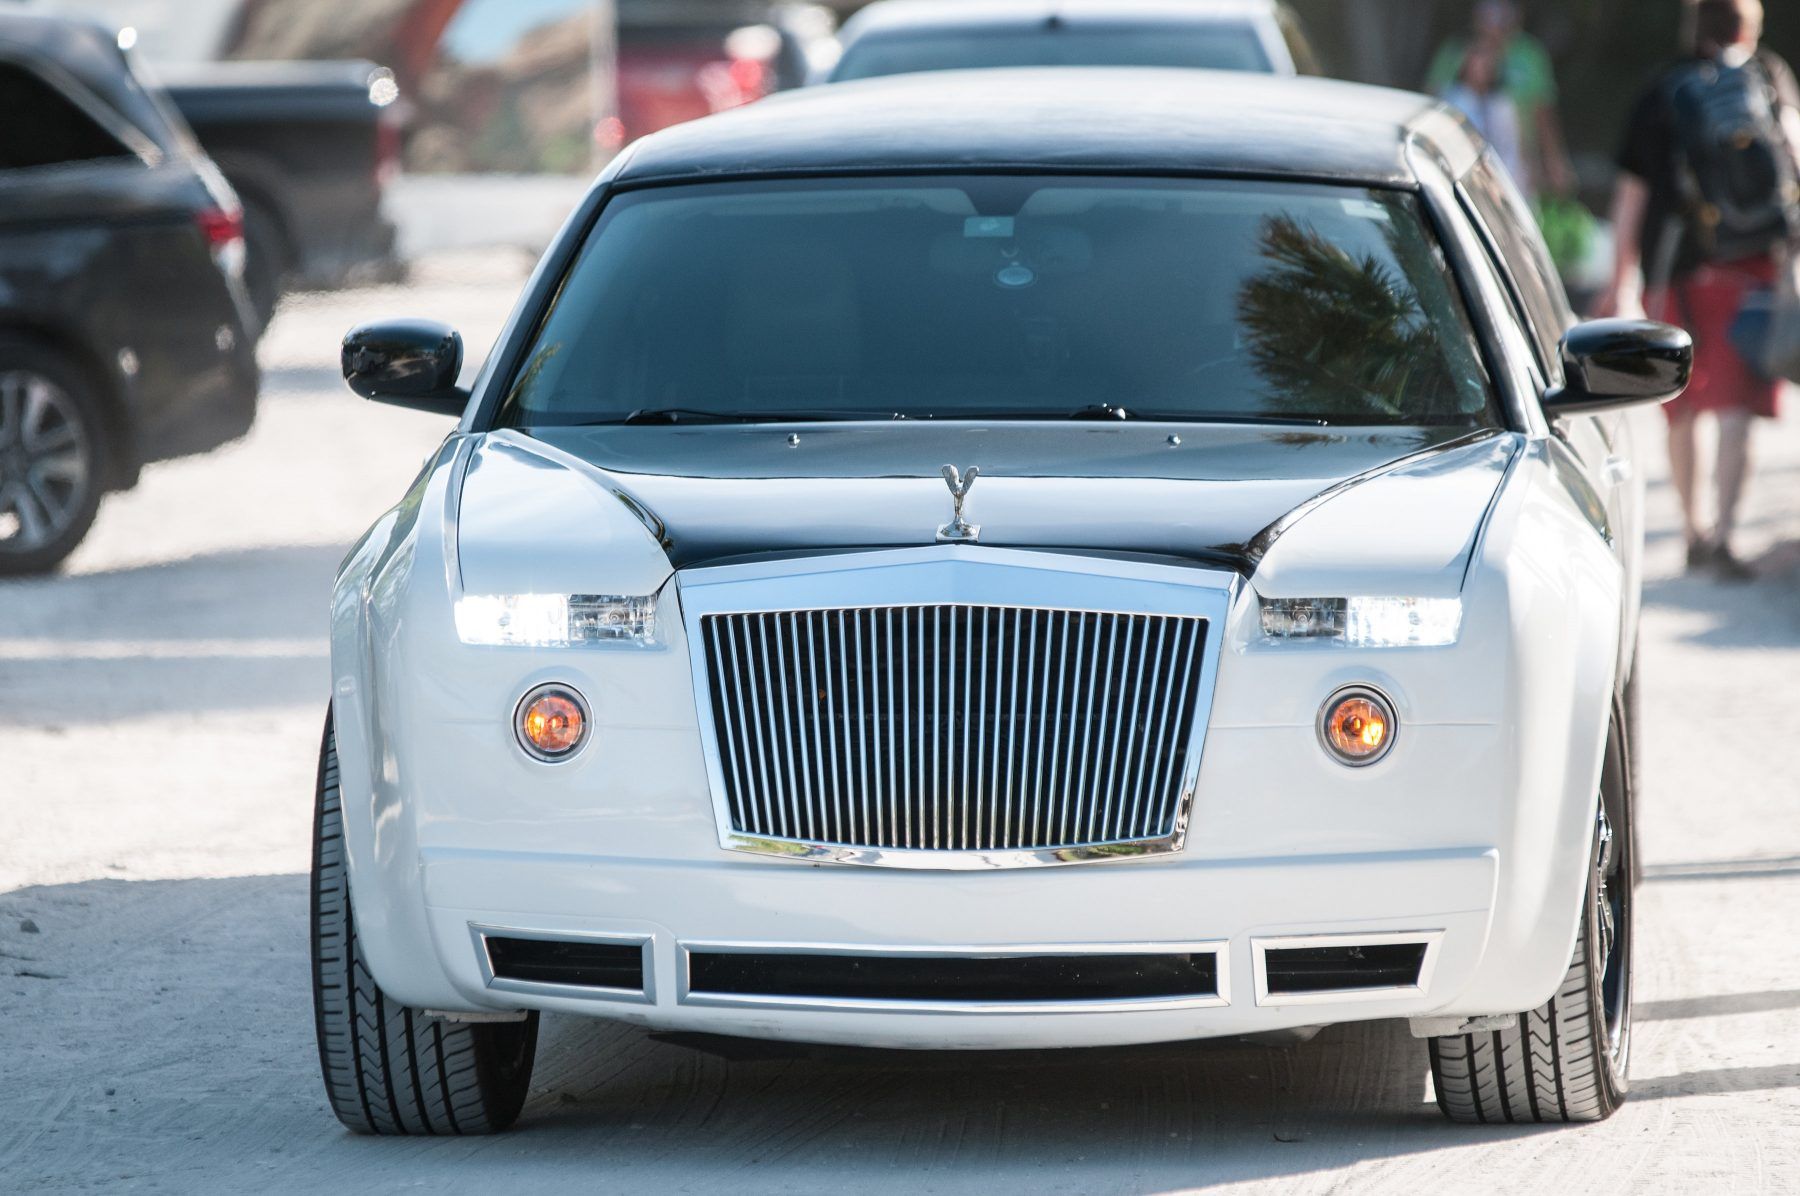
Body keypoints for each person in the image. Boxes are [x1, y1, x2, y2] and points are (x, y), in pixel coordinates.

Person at [1600, 0, 1800, 579]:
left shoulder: (1664, 90)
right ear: (1748, 27)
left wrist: (1620, 282)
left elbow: (1631, 195)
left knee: (1683, 406)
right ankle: (1727, 534)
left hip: (1680, 269)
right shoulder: (1770, 76)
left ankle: (1692, 529)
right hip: (1755, 268)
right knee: (1737, 407)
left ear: (1696, 27)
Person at [1426, 0, 1575, 197]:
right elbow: (1429, 103)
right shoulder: (1453, 54)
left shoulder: (1525, 63)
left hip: (1509, 172)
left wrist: (1552, 161)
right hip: (1456, 166)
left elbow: (1542, 112)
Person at [1441, 44, 1531, 195]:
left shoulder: (1502, 105)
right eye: (1475, 65)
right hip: (1465, 177)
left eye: (1485, 65)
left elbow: (1512, 148)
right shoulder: (1453, 100)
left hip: (1503, 178)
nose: (1479, 71)